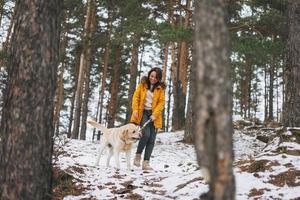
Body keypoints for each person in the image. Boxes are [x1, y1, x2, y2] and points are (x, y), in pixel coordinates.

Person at [130, 67, 165, 170]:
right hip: (143, 112)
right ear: (149, 75)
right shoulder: (142, 85)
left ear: (159, 79)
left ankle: (146, 163)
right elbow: (136, 98)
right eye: (152, 76)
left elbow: (161, 103)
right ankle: (138, 155)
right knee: (146, 134)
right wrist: (135, 110)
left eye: (156, 77)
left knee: (152, 139)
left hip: (154, 115)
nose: (153, 79)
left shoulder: (160, 89)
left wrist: (155, 114)